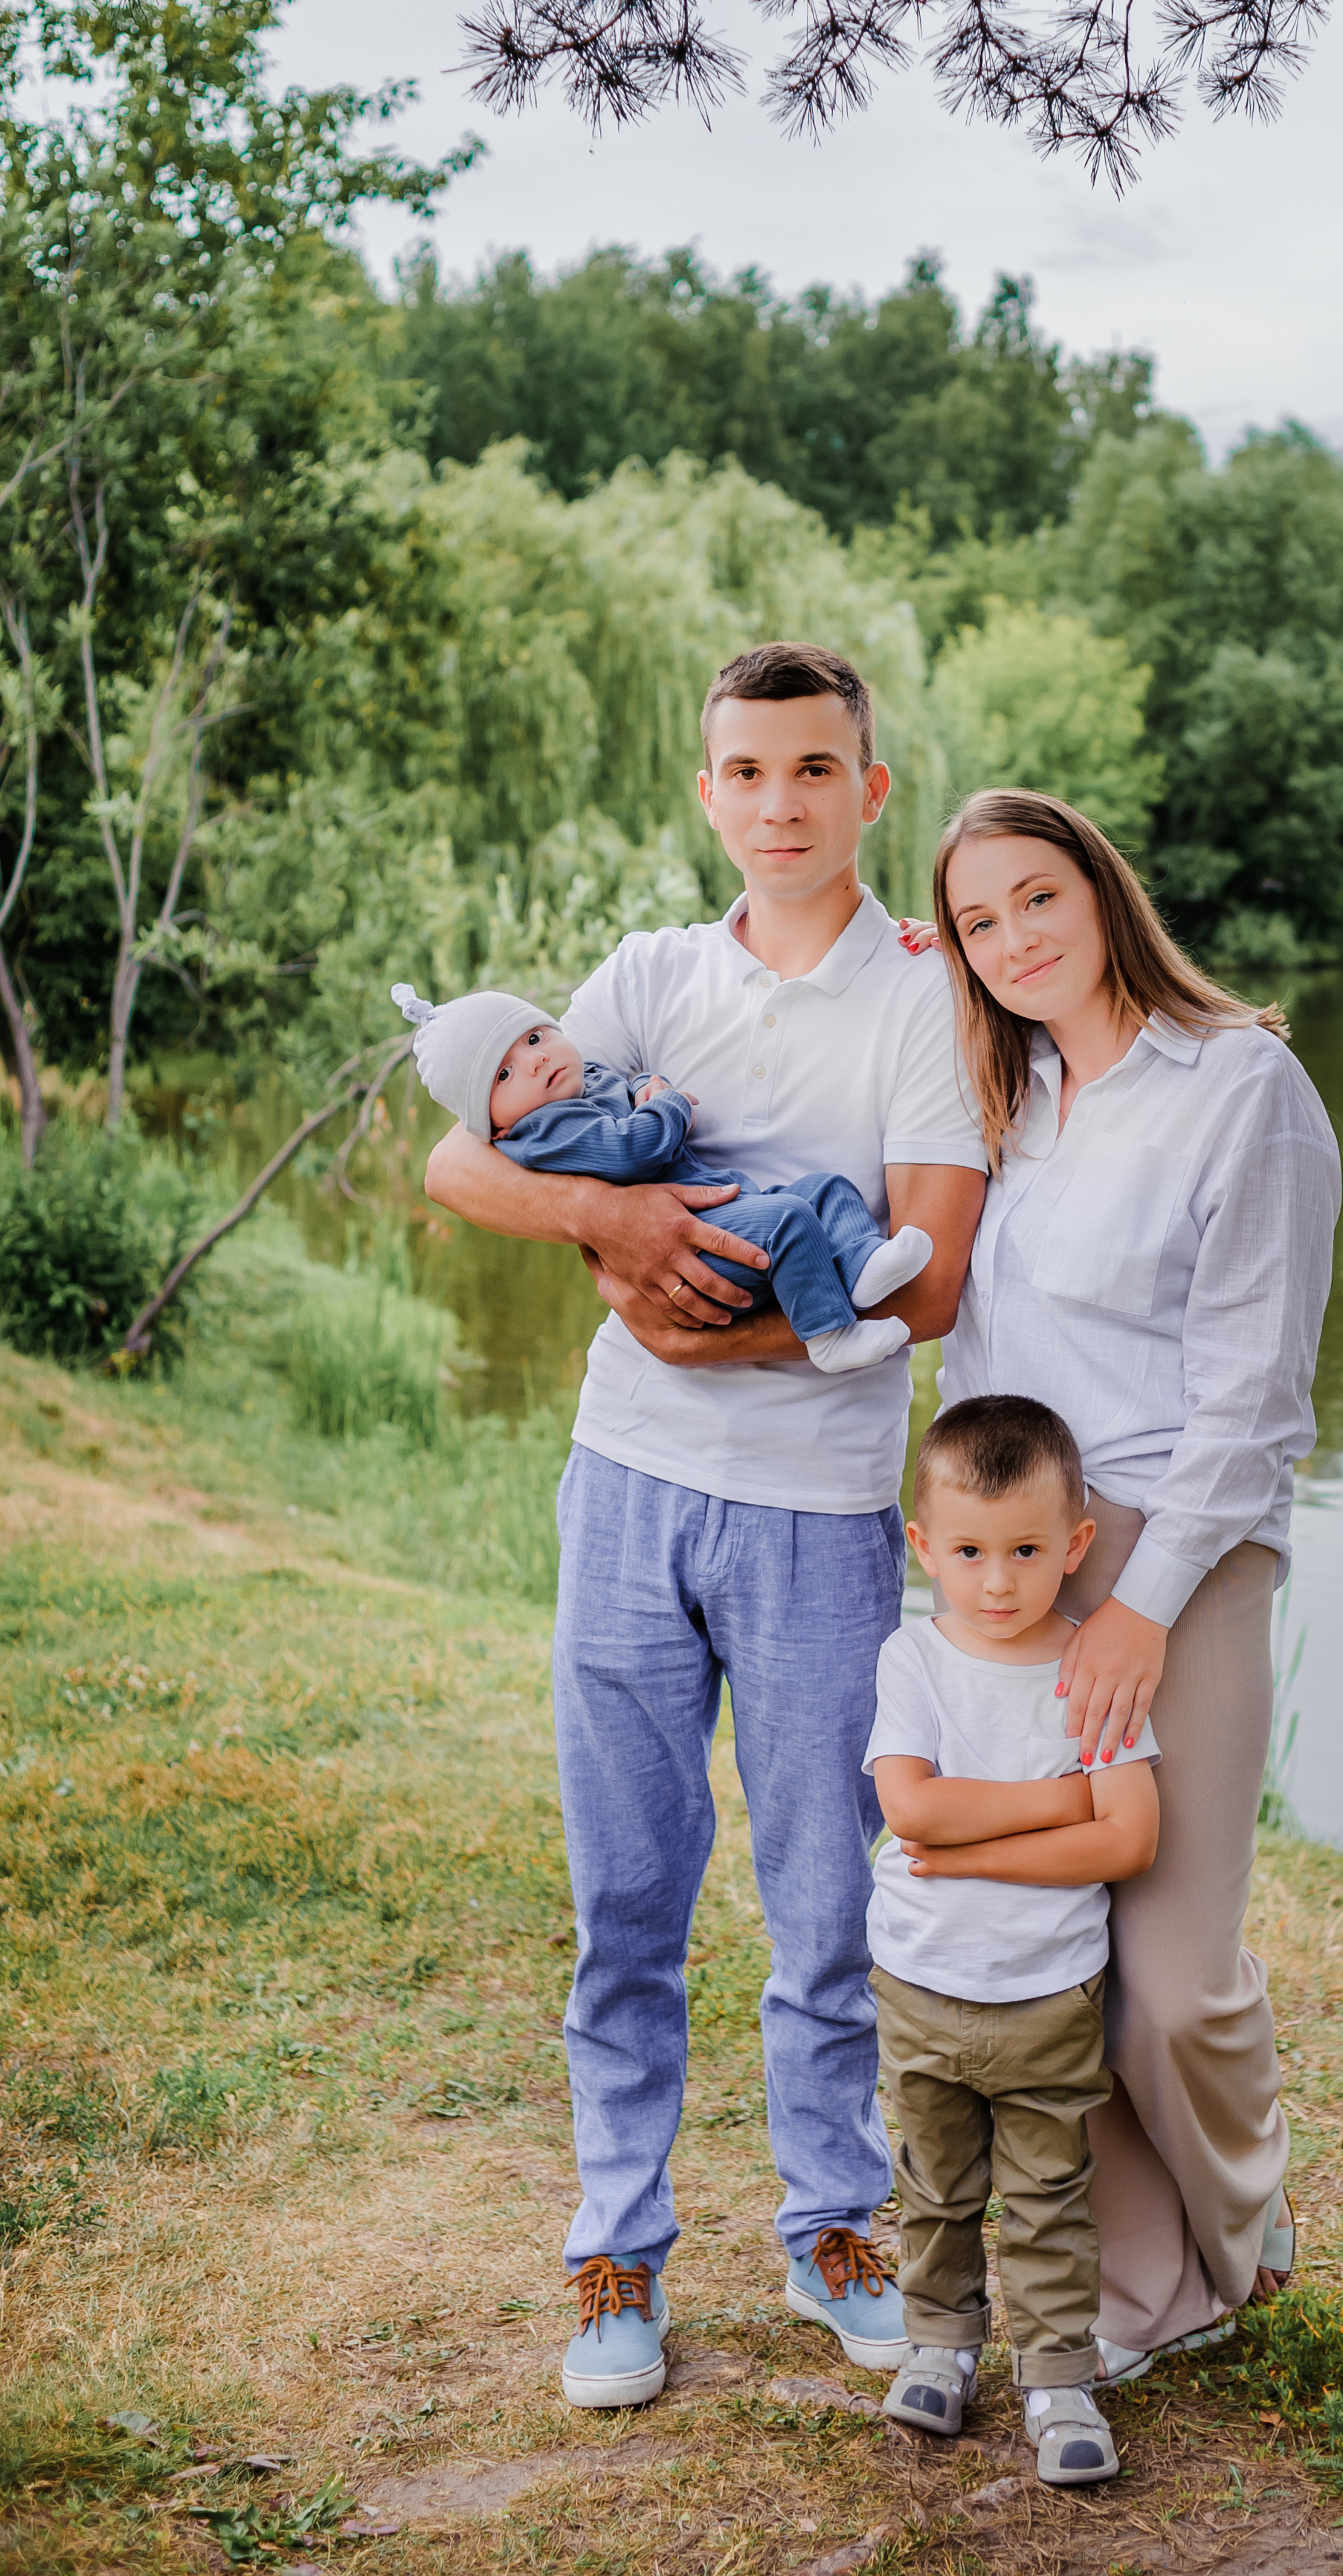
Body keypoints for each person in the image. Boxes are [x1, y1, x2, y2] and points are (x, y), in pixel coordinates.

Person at [422, 642, 989, 2409]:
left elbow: (938, 1273)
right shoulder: (652, 974)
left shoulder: (921, 992)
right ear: (707, 792)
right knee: (629, 1897)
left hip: (819, 1514)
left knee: (826, 1898)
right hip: (631, 1491)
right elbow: (461, 1160)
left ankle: (832, 2221)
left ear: (869, 791)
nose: (779, 804)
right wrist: (632, 1238)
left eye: (814, 770)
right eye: (746, 772)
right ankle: (615, 2253)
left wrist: (701, 1309)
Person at [930, 788, 1340, 2383]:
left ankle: (1249, 2214)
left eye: (1039, 896)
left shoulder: (1244, 1085)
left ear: (1103, 890)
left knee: (1166, 1985)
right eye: (977, 921)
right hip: (1017, 1567)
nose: (1016, 938)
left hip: (1184, 1558)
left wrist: (1142, 1600)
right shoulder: (1001, 1091)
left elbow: (1257, 1402)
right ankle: (1142, 2287)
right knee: (1052, 1961)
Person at [868, 1392, 1159, 2487]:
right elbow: (913, 1814)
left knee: (1048, 2194)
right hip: (923, 1981)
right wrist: (1057, 1801)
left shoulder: (1094, 1672)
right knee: (935, 2184)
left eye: (1028, 1550)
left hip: (1047, 1994)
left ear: (1075, 1544)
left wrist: (983, 1837)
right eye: (972, 1551)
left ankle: (1057, 2378)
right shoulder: (915, 1661)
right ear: (924, 1548)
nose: (999, 1581)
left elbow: (1126, 1837)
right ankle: (940, 2342)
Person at [390, 982, 931, 1372]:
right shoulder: (547, 1128)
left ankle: (861, 1263)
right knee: (790, 1218)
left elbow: (630, 1084)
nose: (533, 1062)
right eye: (504, 1074)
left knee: (826, 1189)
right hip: (697, 1244)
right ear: (496, 1128)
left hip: (720, 1203)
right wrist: (669, 1103)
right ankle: (829, 1334)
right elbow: (633, 1151)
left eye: (534, 1038)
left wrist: (650, 1083)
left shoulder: (582, 1081)